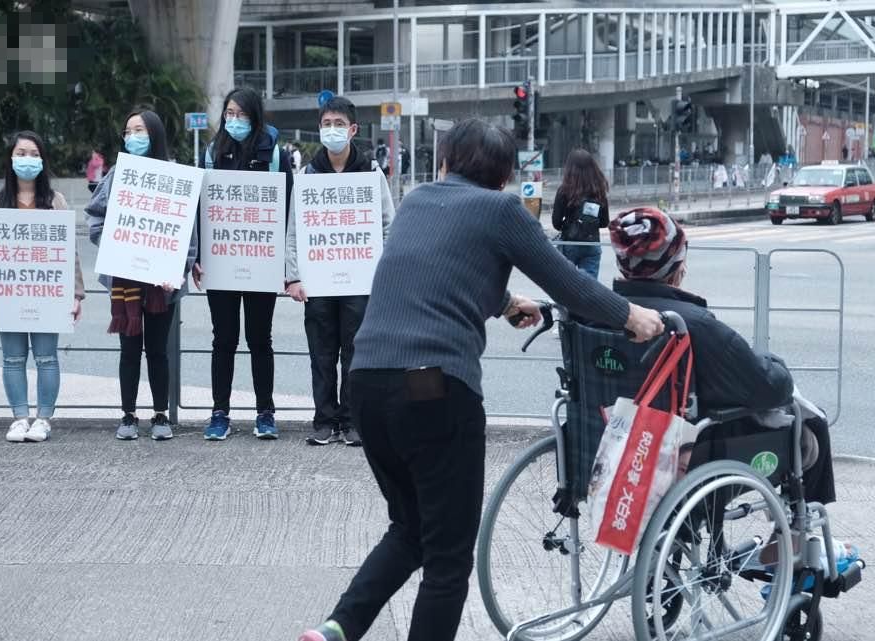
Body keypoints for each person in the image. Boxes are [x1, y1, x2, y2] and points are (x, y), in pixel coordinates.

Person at [298, 119, 663, 641]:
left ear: (446, 160)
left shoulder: (418, 201)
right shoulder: (501, 209)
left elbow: (433, 269)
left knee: (410, 528)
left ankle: (337, 628)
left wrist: (506, 303)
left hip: (366, 384)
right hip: (433, 387)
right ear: (503, 176)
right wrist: (632, 316)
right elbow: (568, 283)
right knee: (448, 560)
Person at [607, 207, 835, 505]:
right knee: (811, 424)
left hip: (610, 443)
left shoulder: (598, 312)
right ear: (676, 264)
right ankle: (787, 538)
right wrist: (774, 363)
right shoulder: (692, 325)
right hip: (688, 453)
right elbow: (768, 387)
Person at [284, 96, 394, 447]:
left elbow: (388, 226)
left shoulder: (371, 174)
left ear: (353, 129)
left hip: (360, 284)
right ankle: (324, 420)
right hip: (317, 283)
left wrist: (383, 273)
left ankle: (352, 420)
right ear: (320, 129)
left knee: (356, 354)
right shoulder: (307, 175)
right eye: (326, 124)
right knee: (322, 354)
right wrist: (294, 276)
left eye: (339, 124)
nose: (332, 130)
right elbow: (294, 230)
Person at [0, 131, 85, 443]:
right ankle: (19, 417)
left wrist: (75, 294)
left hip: (47, 296)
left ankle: (43, 419)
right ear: (11, 159)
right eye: (21, 153)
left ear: (43, 160)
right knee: (12, 359)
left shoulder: (55, 201)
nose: (27, 159)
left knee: (47, 358)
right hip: (8, 295)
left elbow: (68, 254)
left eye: (34, 154)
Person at [191, 86, 293, 441]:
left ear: (255, 116)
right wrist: (199, 257)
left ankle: (265, 412)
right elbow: (200, 209)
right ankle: (220, 412)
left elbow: (287, 209)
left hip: (261, 261)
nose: (233, 121)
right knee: (224, 339)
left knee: (260, 339)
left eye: (241, 115)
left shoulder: (273, 152)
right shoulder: (211, 151)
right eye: (228, 114)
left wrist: (284, 264)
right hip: (221, 262)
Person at [86, 109, 195, 442]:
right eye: (128, 131)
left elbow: (189, 232)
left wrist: (177, 268)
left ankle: (161, 414)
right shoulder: (117, 175)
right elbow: (95, 219)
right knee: (129, 349)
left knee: (159, 350)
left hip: (162, 285)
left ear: (156, 134)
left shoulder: (175, 176)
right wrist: (115, 248)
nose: (133, 137)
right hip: (126, 282)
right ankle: (128, 414)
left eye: (141, 131)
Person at [551, 149, 610, 279]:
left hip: (569, 244)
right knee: (590, 286)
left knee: (566, 284)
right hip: (592, 244)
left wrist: (569, 226)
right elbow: (605, 222)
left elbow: (556, 222)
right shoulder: (599, 190)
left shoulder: (564, 190)